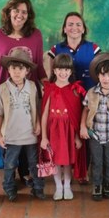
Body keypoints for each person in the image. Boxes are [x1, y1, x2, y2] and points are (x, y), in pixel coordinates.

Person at [0, 0, 47, 186]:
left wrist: (47, 85)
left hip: (29, 93)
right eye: (16, 10)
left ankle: (26, 172)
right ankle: (10, 174)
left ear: (28, 15)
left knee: (28, 133)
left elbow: (39, 65)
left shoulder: (35, 35)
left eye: (24, 12)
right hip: (5, 94)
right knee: (8, 133)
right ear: (9, 12)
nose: (20, 15)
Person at [48, 12, 101, 184]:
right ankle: (67, 168)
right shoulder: (57, 49)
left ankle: (83, 169)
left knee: (85, 134)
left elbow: (103, 68)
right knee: (67, 133)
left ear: (84, 28)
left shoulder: (93, 48)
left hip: (87, 98)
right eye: (70, 24)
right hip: (65, 99)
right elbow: (47, 67)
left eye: (78, 24)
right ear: (64, 28)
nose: (74, 27)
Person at [0, 48, 45, 201]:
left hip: (30, 134)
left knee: (34, 163)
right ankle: (9, 188)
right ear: (8, 69)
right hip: (11, 135)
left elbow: (36, 107)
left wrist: (37, 124)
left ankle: (38, 188)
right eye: (13, 68)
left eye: (21, 68)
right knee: (10, 164)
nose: (17, 72)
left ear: (27, 71)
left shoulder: (32, 86)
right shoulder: (3, 88)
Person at [79, 53, 109, 201]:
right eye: (103, 75)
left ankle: (107, 184)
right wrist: (83, 127)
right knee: (96, 161)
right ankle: (97, 185)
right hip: (95, 134)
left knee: (108, 161)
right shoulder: (91, 93)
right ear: (98, 76)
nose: (106, 78)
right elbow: (86, 110)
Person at [40, 54, 86, 201]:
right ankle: (58, 188)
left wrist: (77, 137)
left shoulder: (75, 90)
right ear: (54, 70)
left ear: (71, 71)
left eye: (66, 69)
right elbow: (44, 114)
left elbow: (77, 117)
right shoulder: (49, 89)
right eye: (59, 69)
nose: (62, 72)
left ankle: (67, 186)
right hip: (53, 131)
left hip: (69, 132)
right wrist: (44, 137)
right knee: (56, 161)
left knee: (66, 161)